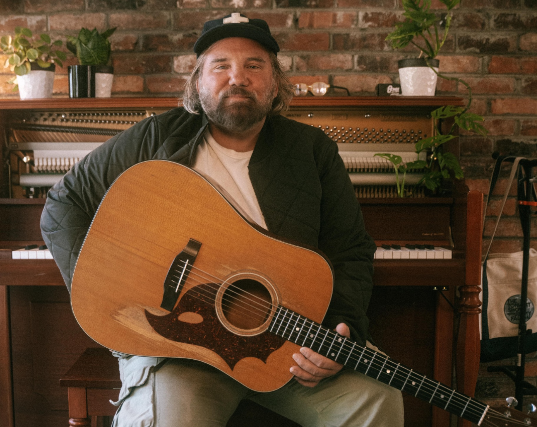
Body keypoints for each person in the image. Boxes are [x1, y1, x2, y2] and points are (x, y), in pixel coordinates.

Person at [41, 12, 404, 427]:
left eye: (254, 65)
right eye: (221, 65)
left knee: (378, 399)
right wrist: (106, 289)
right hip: (180, 351)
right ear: (198, 81)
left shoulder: (312, 150)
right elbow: (63, 204)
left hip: (288, 346)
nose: (238, 77)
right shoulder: (155, 137)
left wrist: (343, 330)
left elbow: (350, 249)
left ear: (275, 83)